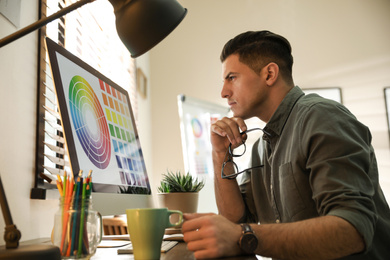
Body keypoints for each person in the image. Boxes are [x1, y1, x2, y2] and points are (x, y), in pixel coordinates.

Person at [181, 30, 390, 259]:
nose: (223, 92)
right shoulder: (261, 146)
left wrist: (244, 234)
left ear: (270, 74)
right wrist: (220, 153)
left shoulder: (321, 117)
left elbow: (353, 230)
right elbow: (236, 220)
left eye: (231, 77)